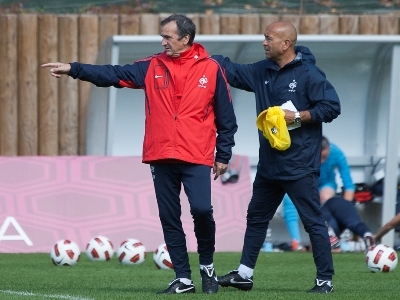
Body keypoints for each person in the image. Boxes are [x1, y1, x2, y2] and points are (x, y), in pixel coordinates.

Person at [42, 14, 237, 295]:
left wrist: (224, 153)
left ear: (185, 39)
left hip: (197, 154)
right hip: (160, 154)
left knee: (202, 210)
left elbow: (226, 117)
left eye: (168, 37)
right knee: (169, 217)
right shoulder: (152, 66)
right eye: (162, 36)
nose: (163, 41)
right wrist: (74, 68)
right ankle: (183, 278)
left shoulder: (212, 68)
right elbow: (112, 74)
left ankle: (207, 267)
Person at [212, 21, 340, 293]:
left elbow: (331, 107)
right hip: (270, 165)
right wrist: (198, 54)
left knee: (312, 222)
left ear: (286, 44)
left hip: (300, 165)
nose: (263, 42)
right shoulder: (262, 70)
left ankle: (324, 281)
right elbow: (231, 71)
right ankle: (244, 275)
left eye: (268, 38)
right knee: (256, 217)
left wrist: (299, 116)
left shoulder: (310, 74)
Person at [320, 136, 355, 203]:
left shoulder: (337, 153)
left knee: (326, 197)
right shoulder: (302, 154)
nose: (321, 161)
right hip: (307, 184)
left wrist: (346, 207)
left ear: (329, 148)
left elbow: (348, 184)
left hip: (326, 183)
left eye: (324, 157)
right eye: (317, 157)